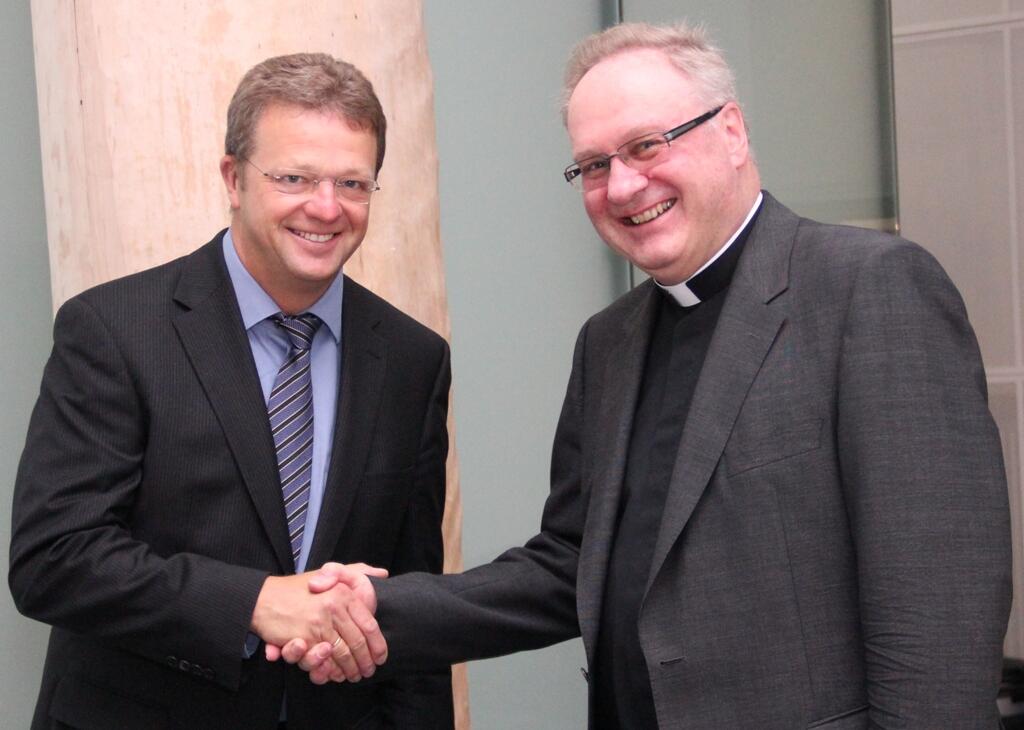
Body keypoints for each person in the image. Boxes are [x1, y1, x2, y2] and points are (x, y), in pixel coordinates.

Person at [289, 21, 1012, 729]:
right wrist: (378, 611)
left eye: (646, 145)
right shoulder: (608, 341)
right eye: (594, 165)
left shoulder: (868, 289)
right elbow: (570, 564)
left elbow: (939, 604)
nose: (625, 185)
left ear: (731, 131)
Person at [9, 52, 452, 729]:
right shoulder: (114, 330)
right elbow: (54, 559)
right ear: (233, 178)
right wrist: (254, 601)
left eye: (353, 183)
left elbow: (413, 607)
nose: (326, 208)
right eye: (295, 177)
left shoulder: (414, 359)